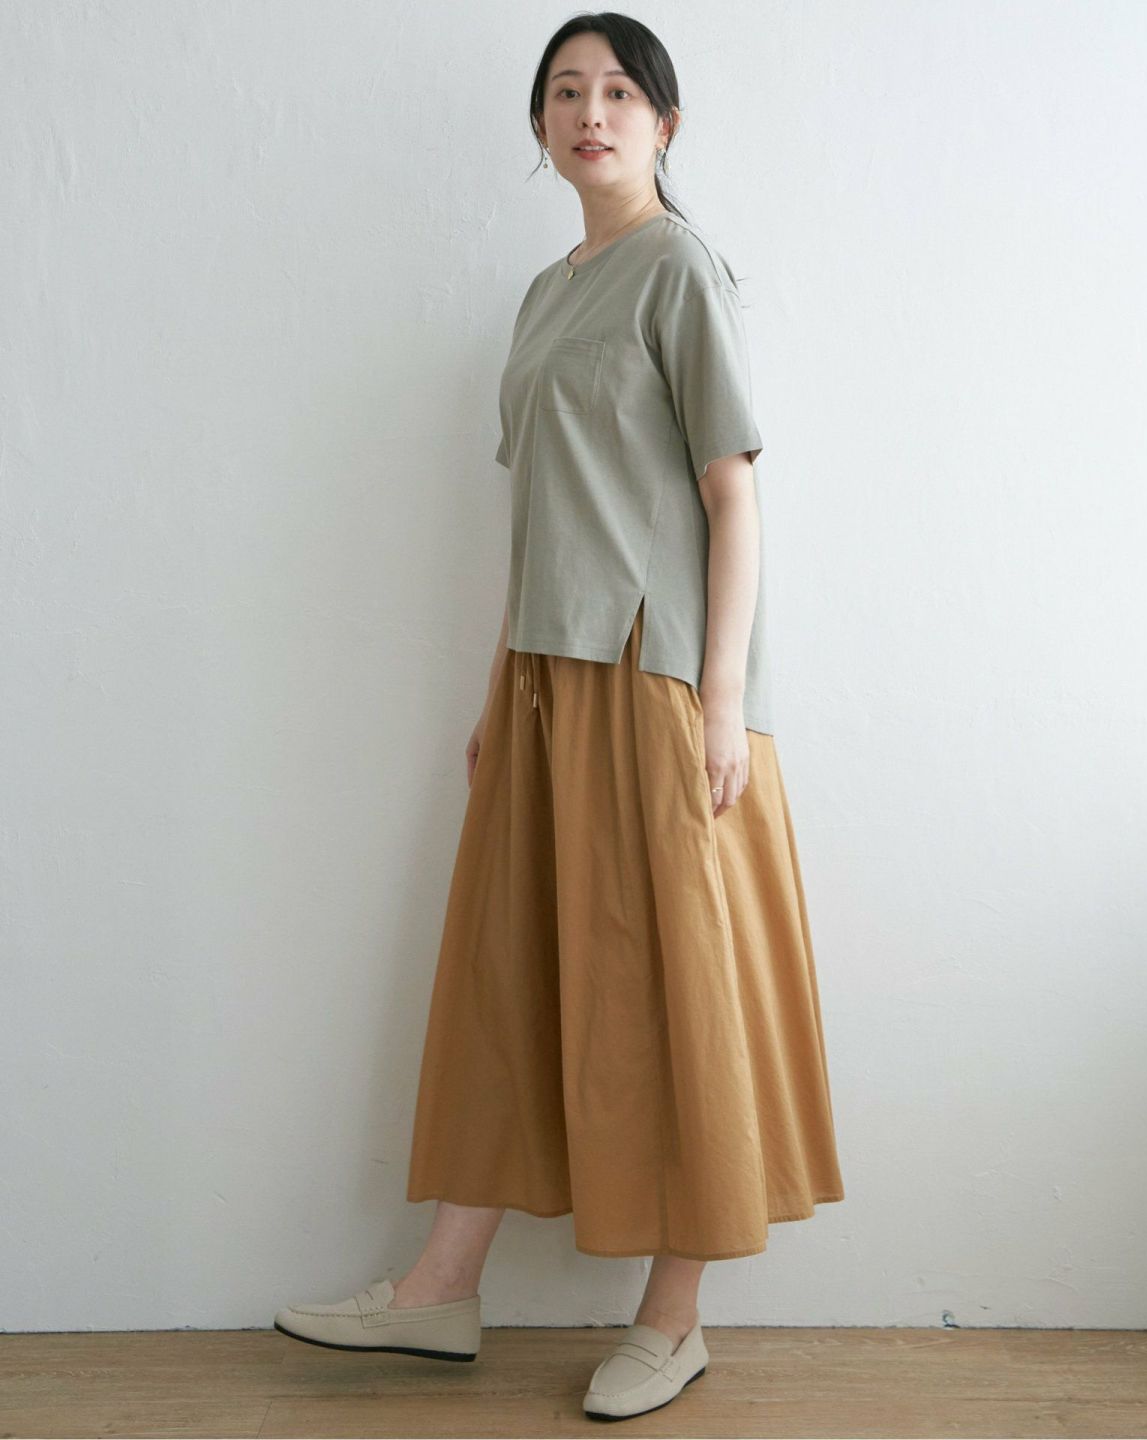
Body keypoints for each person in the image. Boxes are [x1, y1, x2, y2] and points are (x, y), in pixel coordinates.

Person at [274, 12, 845, 1422]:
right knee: (510, 973)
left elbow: (732, 496)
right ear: (540, 125)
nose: (592, 112)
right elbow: (541, 516)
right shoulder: (545, 295)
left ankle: (674, 1316)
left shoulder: (680, 269)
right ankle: (439, 1289)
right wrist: (497, 689)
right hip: (542, 681)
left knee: (679, 991)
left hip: (655, 684)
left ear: (665, 123)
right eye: (566, 92)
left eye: (620, 92)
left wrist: (721, 702)